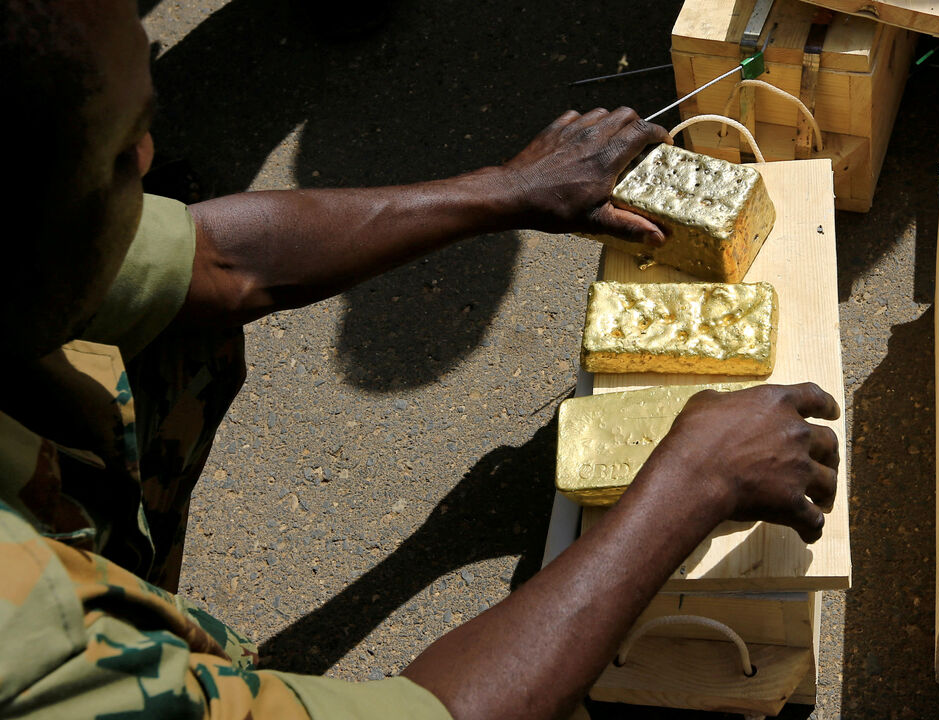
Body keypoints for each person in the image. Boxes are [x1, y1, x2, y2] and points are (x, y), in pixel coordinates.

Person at [0, 1, 842, 719]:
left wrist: (503, 189)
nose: (151, 164)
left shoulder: (28, 239)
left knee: (180, 329)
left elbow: (219, 262)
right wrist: (691, 482)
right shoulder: (27, 636)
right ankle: (157, 643)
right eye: (121, 154)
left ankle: (127, 567)